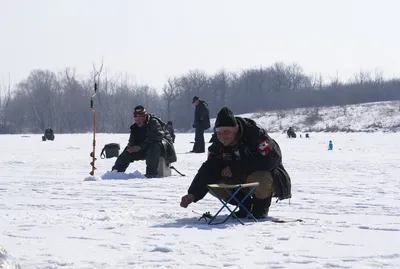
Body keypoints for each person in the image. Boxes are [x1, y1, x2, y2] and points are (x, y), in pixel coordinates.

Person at [180, 107, 291, 218]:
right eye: (218, 133)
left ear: (236, 128)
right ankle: (244, 205)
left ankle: (260, 208)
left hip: (267, 179)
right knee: (212, 185)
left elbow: (270, 160)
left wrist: (235, 168)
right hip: (237, 179)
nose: (222, 137)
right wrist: (193, 194)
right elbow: (209, 169)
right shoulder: (217, 144)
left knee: (262, 177)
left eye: (226, 132)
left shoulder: (255, 135)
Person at [111, 105, 177, 178]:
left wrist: (140, 147)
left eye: (140, 119)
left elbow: (157, 136)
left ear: (145, 117)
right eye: (136, 119)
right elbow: (132, 140)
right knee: (127, 151)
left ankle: (151, 173)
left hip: (162, 149)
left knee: (154, 146)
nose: (138, 122)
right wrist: (131, 147)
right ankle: (115, 172)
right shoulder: (135, 127)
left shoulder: (154, 122)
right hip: (144, 148)